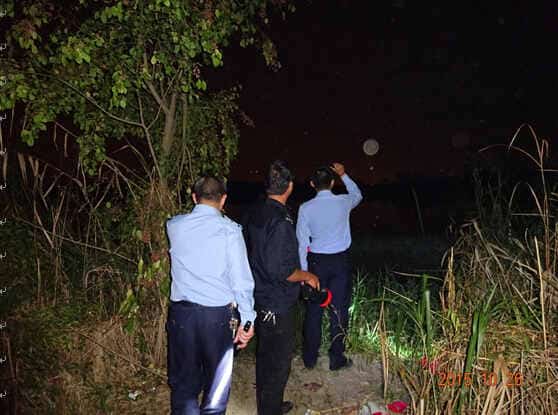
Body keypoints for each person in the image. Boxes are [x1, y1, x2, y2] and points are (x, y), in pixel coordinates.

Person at [166, 176, 256, 415]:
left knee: (184, 387)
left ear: (194, 198)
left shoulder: (174, 226)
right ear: (223, 199)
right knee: (216, 391)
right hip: (216, 318)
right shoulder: (230, 231)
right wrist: (248, 320)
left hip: (181, 316)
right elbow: (241, 281)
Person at [243, 160, 320, 415]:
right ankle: (270, 410)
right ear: (289, 186)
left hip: (261, 294)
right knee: (278, 361)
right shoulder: (280, 221)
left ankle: (270, 405)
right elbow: (282, 271)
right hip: (277, 301)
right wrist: (306, 275)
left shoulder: (257, 212)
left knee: (266, 356)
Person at [296, 162, 363, 370]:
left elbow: (302, 243)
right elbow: (357, 195)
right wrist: (344, 174)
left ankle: (310, 358)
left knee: (314, 311)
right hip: (339, 262)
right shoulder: (343, 202)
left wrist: (304, 273)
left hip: (316, 263)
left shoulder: (305, 208)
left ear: (312, 184)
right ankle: (336, 358)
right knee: (339, 310)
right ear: (332, 183)